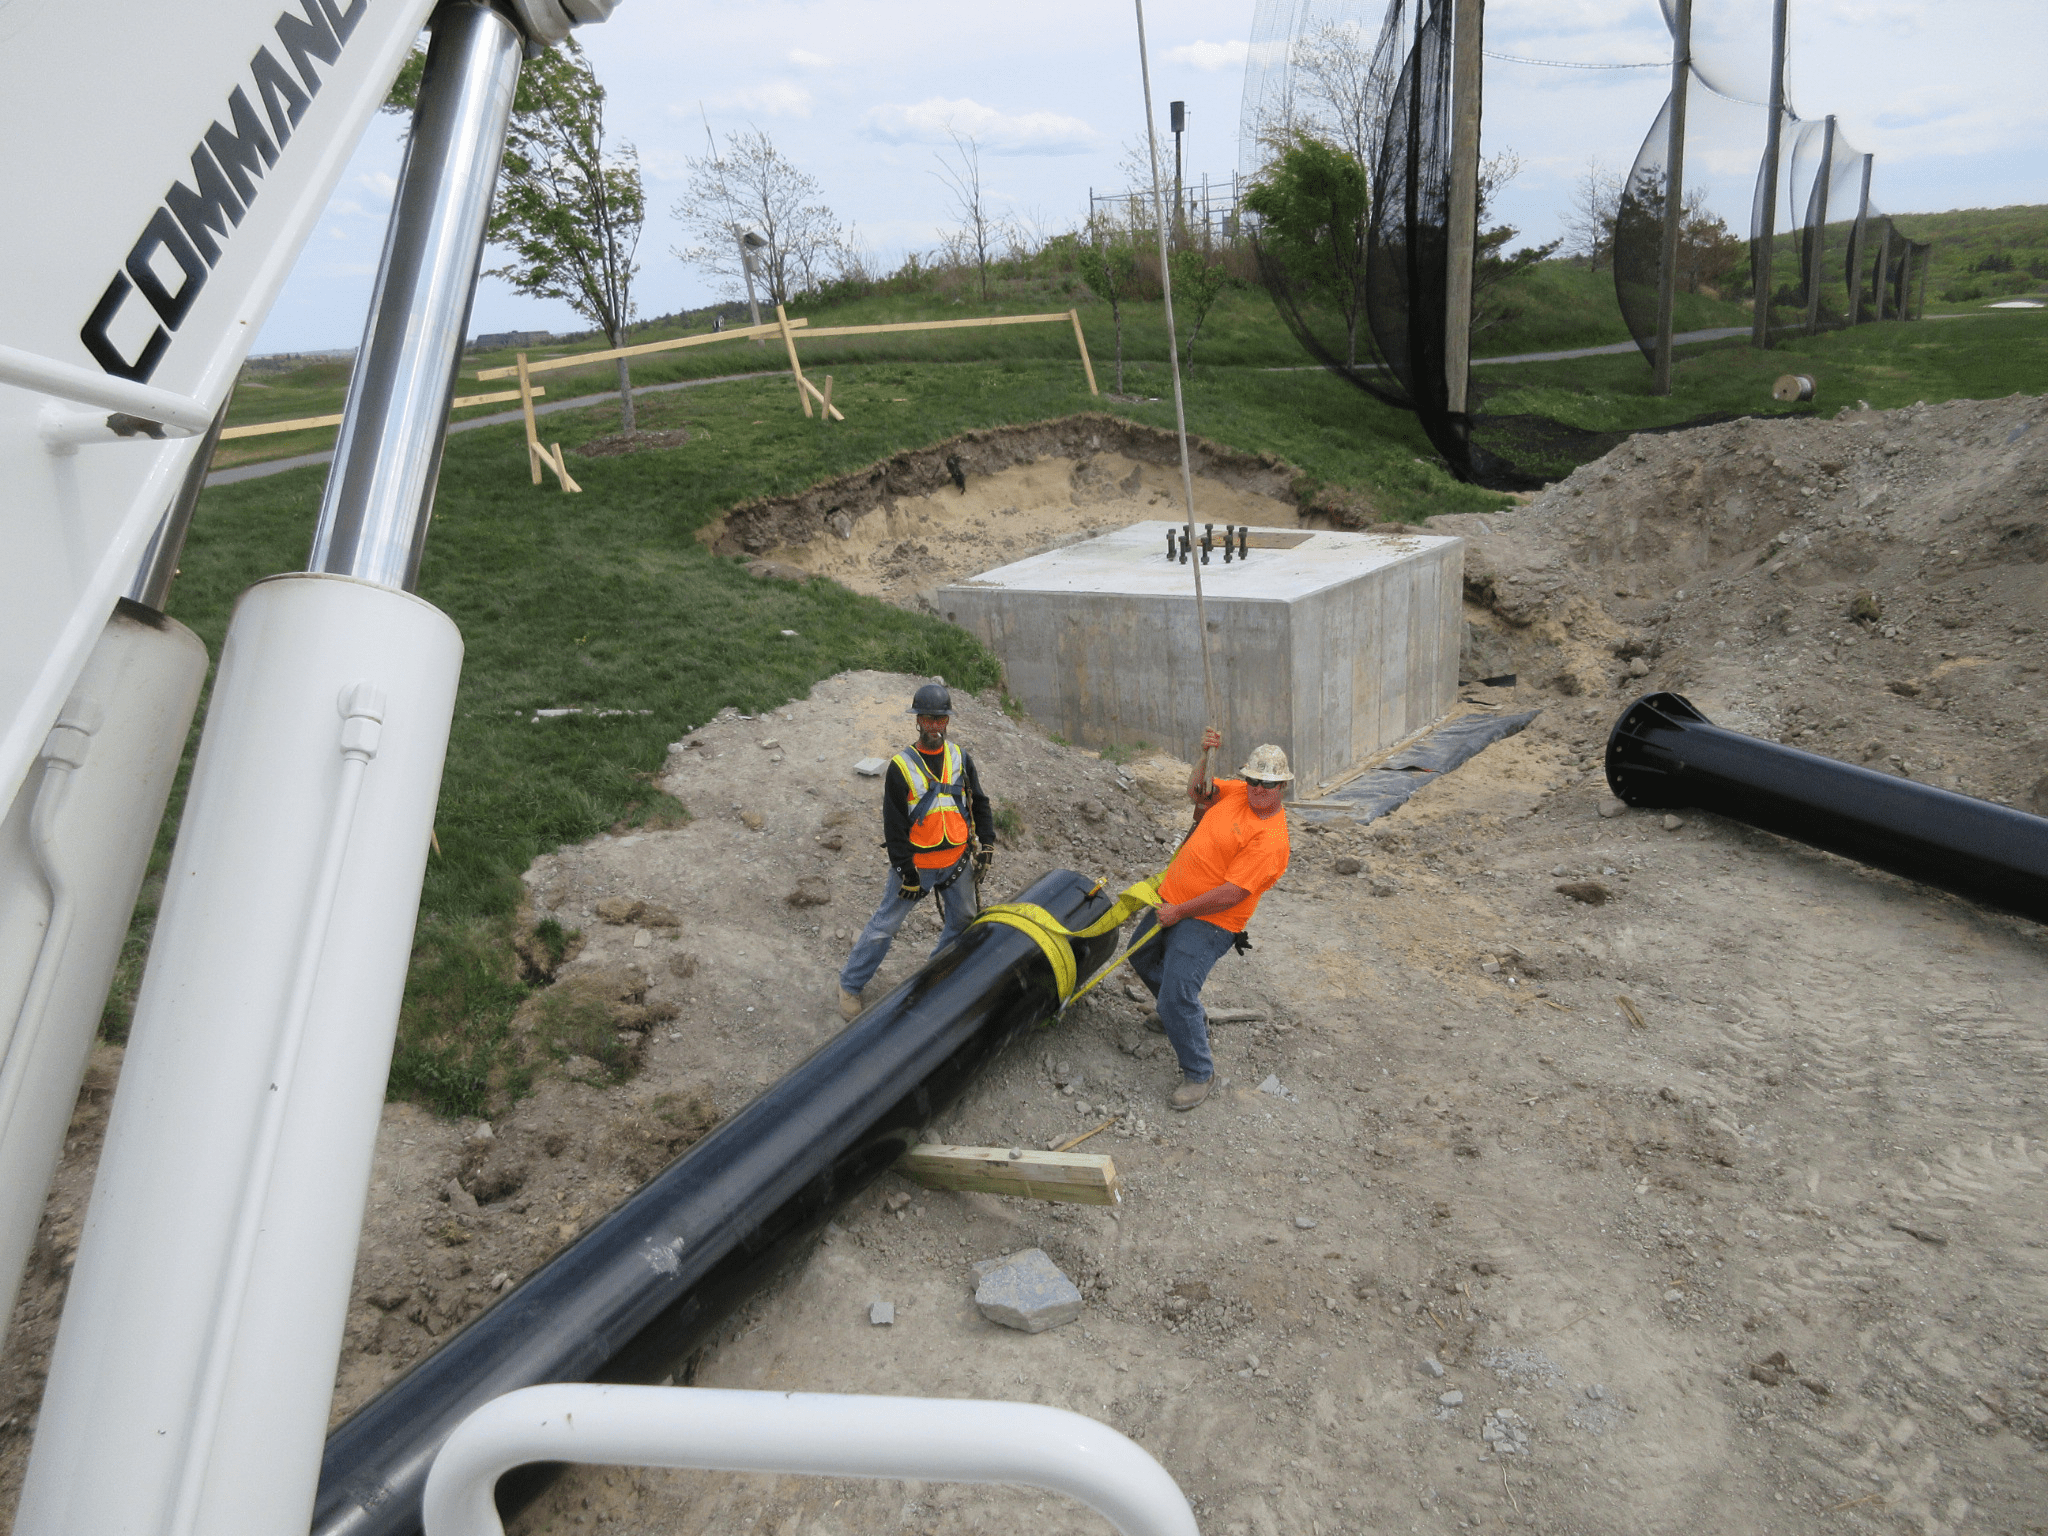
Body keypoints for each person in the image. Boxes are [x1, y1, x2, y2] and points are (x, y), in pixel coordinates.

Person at [1128, 727, 1292, 1110]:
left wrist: (1179, 912)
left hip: (1211, 920)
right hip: (1174, 898)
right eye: (1253, 780)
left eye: (1268, 784)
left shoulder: (1271, 840)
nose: (1258, 789)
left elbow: (1232, 894)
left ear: (1282, 786)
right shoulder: (1236, 793)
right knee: (1141, 955)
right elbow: (1197, 791)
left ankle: (1199, 1072)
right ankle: (1181, 1016)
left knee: (1176, 994)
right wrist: (1204, 754)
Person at [837, 682, 996, 1020]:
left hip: (956, 862)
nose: (934, 727)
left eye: (940, 720)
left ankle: (937, 972)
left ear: (947, 721)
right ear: (917, 721)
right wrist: (906, 871)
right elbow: (893, 825)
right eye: (927, 719)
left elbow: (979, 802)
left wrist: (988, 843)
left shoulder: (960, 758)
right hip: (916, 866)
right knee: (885, 927)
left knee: (963, 921)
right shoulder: (901, 766)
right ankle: (850, 985)